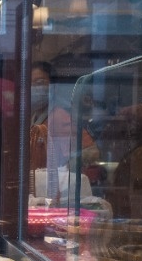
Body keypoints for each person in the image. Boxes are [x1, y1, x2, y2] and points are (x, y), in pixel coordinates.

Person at [27, 61, 100, 201]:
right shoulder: (35, 117)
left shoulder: (58, 116)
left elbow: (90, 152)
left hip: (58, 195)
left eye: (40, 82)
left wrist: (63, 173)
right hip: (41, 190)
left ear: (53, 86)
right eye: (30, 84)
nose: (34, 88)